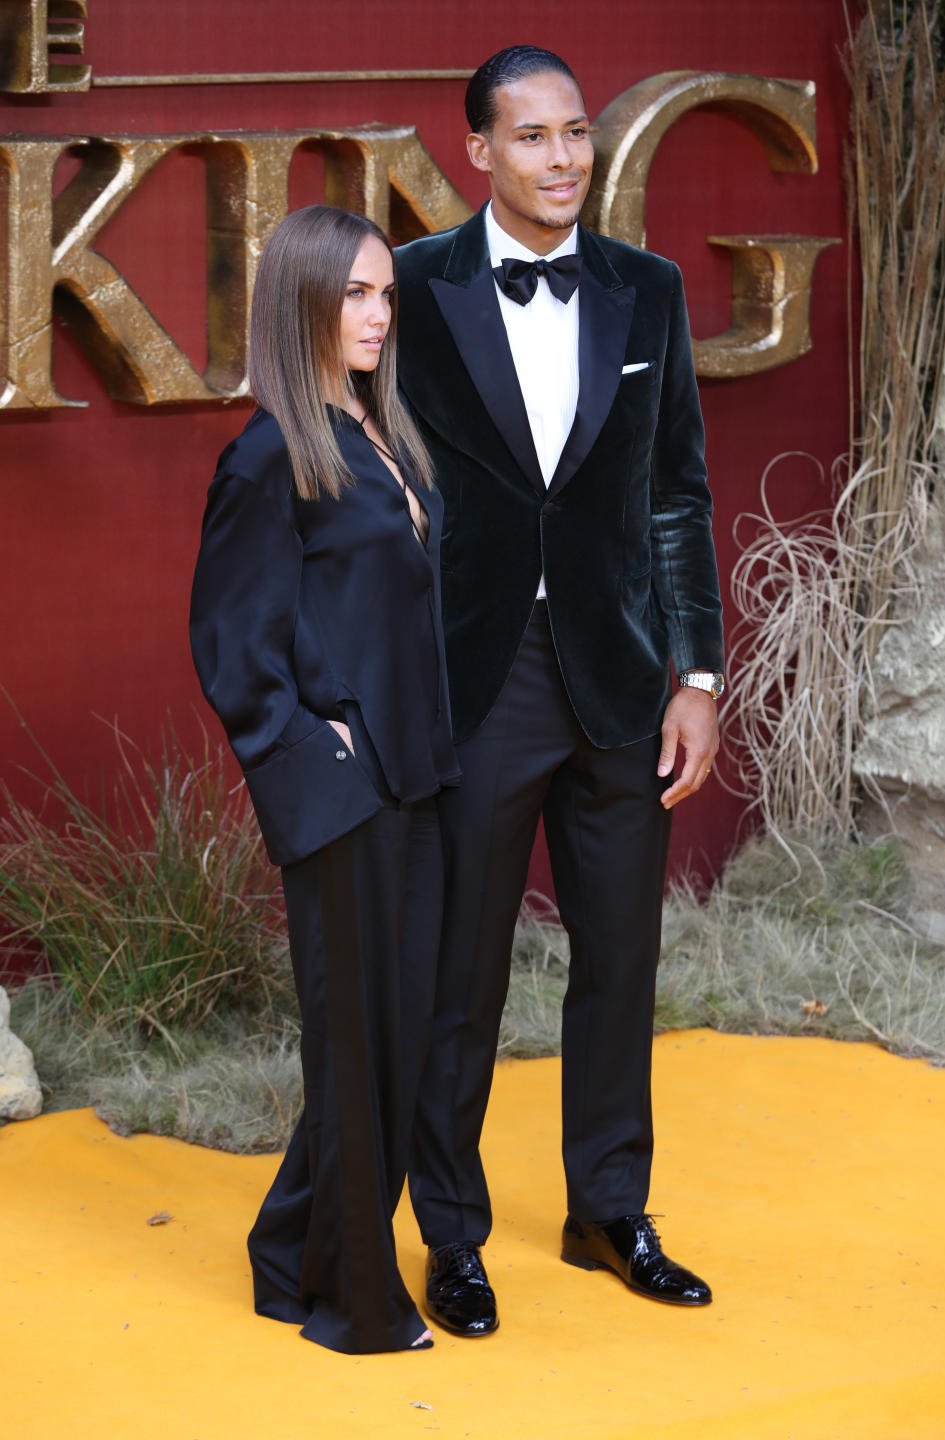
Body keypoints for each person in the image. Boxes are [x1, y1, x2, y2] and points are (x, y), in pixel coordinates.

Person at [395, 46, 725, 1337]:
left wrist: (694, 673)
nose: (562, 158)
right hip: (472, 681)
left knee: (621, 962)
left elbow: (677, 494)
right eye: (531, 137)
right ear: (478, 151)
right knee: (460, 976)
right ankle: (453, 1234)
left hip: (621, 679)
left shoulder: (648, 290)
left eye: (576, 133)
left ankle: (609, 1210)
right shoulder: (412, 288)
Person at [189, 205, 459, 1354]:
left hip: (418, 779)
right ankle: (354, 1297)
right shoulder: (264, 453)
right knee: (354, 1049)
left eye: (386, 295)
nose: (377, 314)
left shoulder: (382, 431)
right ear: (298, 299)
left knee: (398, 1045)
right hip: (345, 790)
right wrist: (316, 748)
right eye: (354, 293)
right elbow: (229, 642)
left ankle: (286, 1249)